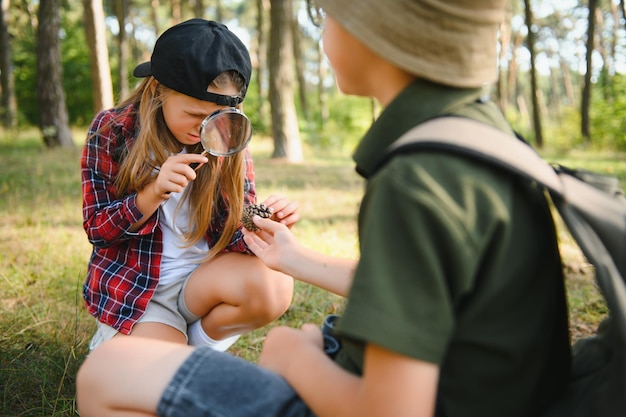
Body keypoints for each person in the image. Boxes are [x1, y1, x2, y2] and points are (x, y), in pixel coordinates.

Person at [76, 1, 572, 416]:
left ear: (377, 36)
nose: (322, 32)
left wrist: (293, 354)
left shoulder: (416, 180)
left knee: (104, 374)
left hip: (372, 388)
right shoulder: (481, 139)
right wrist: (293, 257)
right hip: (459, 383)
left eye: (328, 15)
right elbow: (429, 289)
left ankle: (168, 354)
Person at [80, 18, 296, 352]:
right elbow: (97, 229)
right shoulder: (112, 129)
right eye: (195, 115)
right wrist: (151, 194)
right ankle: (140, 346)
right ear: (157, 90)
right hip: (139, 290)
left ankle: (187, 352)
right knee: (149, 390)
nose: (205, 129)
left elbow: (235, 230)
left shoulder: (227, 134)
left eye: (216, 118)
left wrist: (264, 224)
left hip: (201, 283)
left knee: (275, 286)